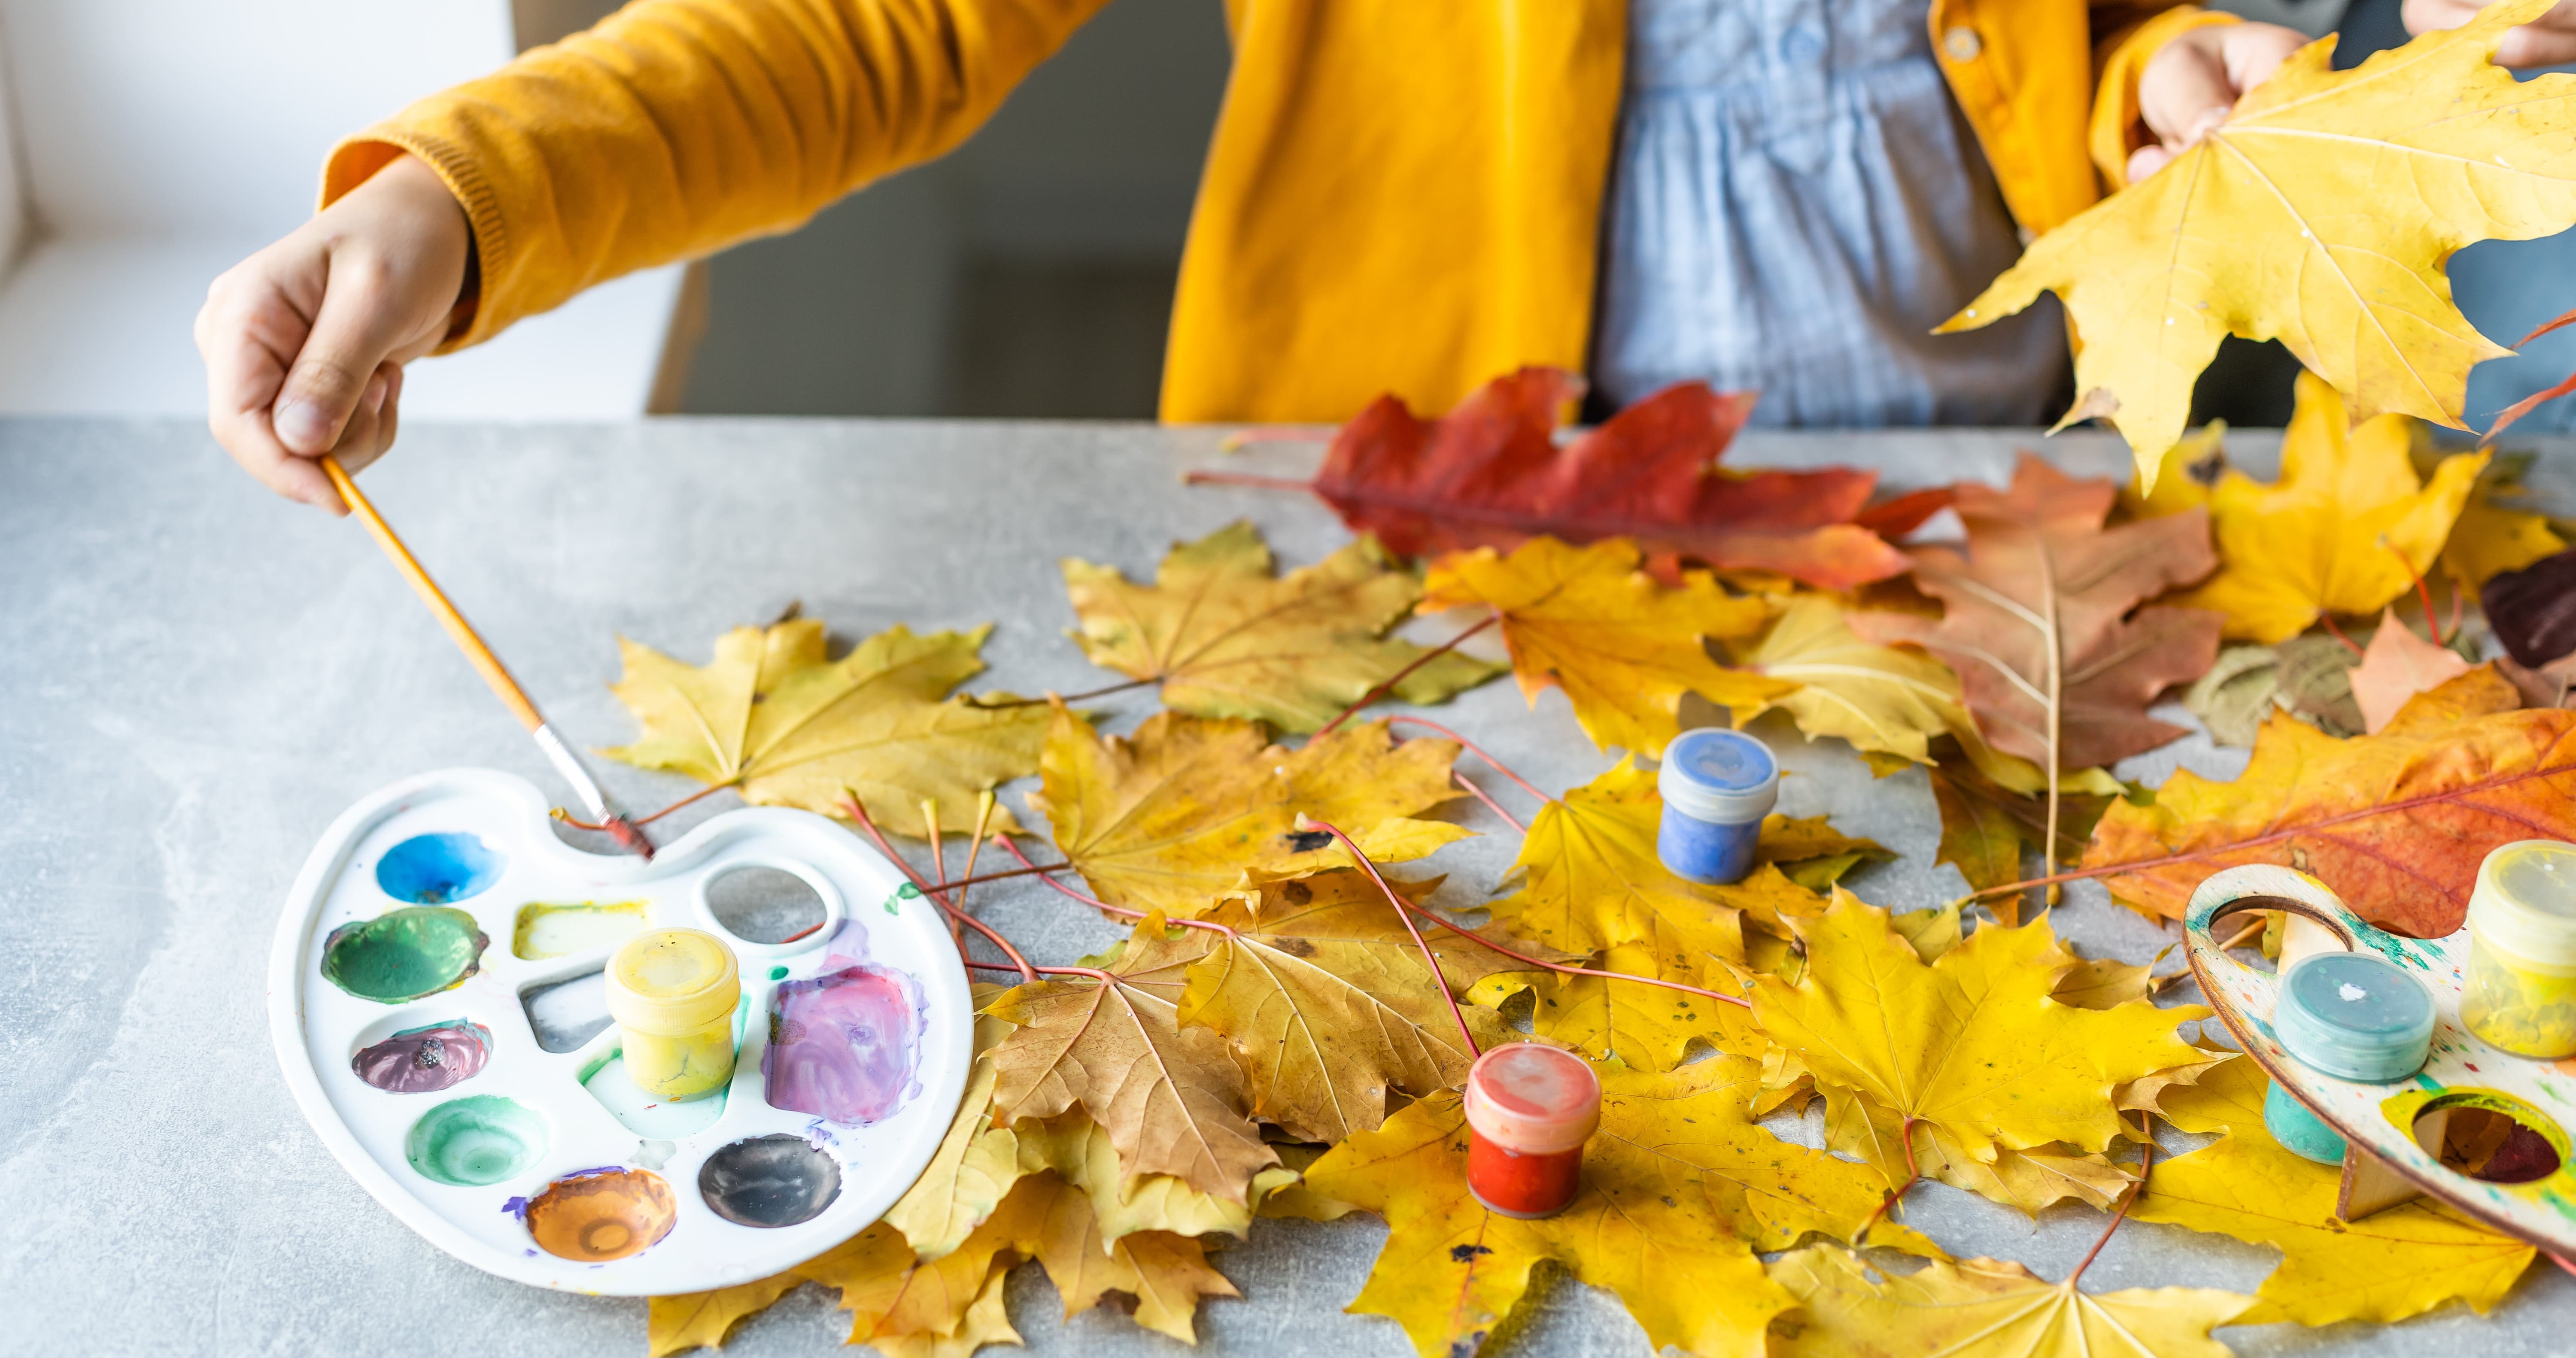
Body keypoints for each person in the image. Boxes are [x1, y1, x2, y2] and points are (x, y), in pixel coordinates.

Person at [194, 2, 2572, 514]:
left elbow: (2078, 33)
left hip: (1940, 482)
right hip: (1427, 519)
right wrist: (461, 191)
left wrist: (2159, 78)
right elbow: (859, 29)